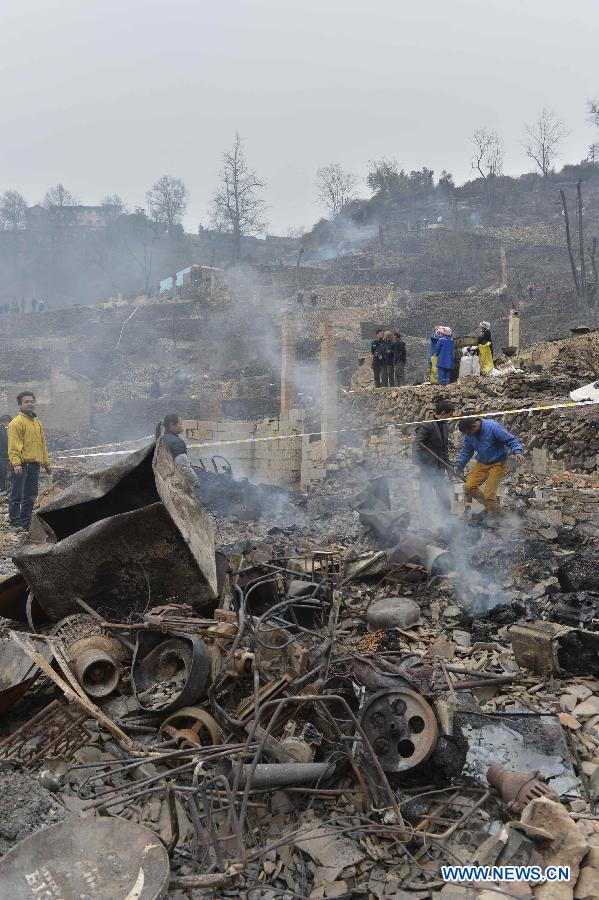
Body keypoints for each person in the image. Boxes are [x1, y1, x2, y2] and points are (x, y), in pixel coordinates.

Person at [455, 417, 524, 514]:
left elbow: (510, 440)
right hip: (482, 463)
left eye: (469, 433)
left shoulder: (493, 427)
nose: (468, 436)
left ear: (474, 427)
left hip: (498, 463)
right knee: (469, 487)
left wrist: (517, 451)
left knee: (489, 495)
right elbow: (466, 451)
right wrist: (458, 465)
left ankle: (496, 517)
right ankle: (492, 508)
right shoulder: (469, 434)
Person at [7, 391, 51, 531]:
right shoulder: (16, 423)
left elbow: (42, 444)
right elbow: (13, 445)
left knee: (31, 495)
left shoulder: (37, 423)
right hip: (22, 464)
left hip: (35, 464)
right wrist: (16, 463)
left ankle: (25, 523)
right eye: (26, 401)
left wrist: (46, 463)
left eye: (32, 401)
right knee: (17, 494)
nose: (30, 403)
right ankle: (15, 522)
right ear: (20, 404)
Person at [412, 399, 455, 513]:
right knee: (426, 496)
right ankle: (425, 523)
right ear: (443, 413)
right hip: (426, 467)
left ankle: (447, 520)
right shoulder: (427, 426)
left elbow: (444, 449)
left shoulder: (445, 426)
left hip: (439, 468)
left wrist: (449, 468)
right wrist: (417, 465)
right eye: (449, 415)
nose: (450, 418)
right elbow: (416, 445)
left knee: (443, 496)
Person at [156, 414, 200, 487]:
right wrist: (195, 479)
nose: (181, 427)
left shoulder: (161, 439)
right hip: (173, 482)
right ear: (172, 425)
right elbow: (183, 465)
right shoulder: (177, 442)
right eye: (180, 424)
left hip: (161, 480)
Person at [0, 415, 11, 493]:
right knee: (2, 471)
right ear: (7, 422)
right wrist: (7, 455)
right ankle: (3, 487)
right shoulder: (2, 429)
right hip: (2, 455)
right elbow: (4, 443)